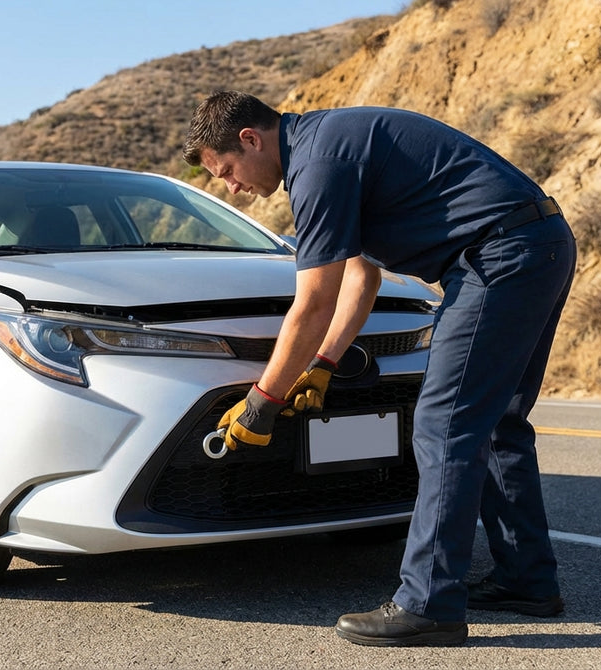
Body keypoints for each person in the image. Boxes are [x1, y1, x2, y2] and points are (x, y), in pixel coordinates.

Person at [183, 91, 575, 647]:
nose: (232, 187)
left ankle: (428, 603)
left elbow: (312, 304)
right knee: (498, 422)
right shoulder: (329, 147)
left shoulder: (317, 166)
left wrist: (261, 402)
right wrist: (323, 364)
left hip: (498, 257)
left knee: (444, 425)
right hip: (537, 243)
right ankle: (527, 580)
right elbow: (359, 277)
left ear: (250, 138)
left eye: (226, 171)